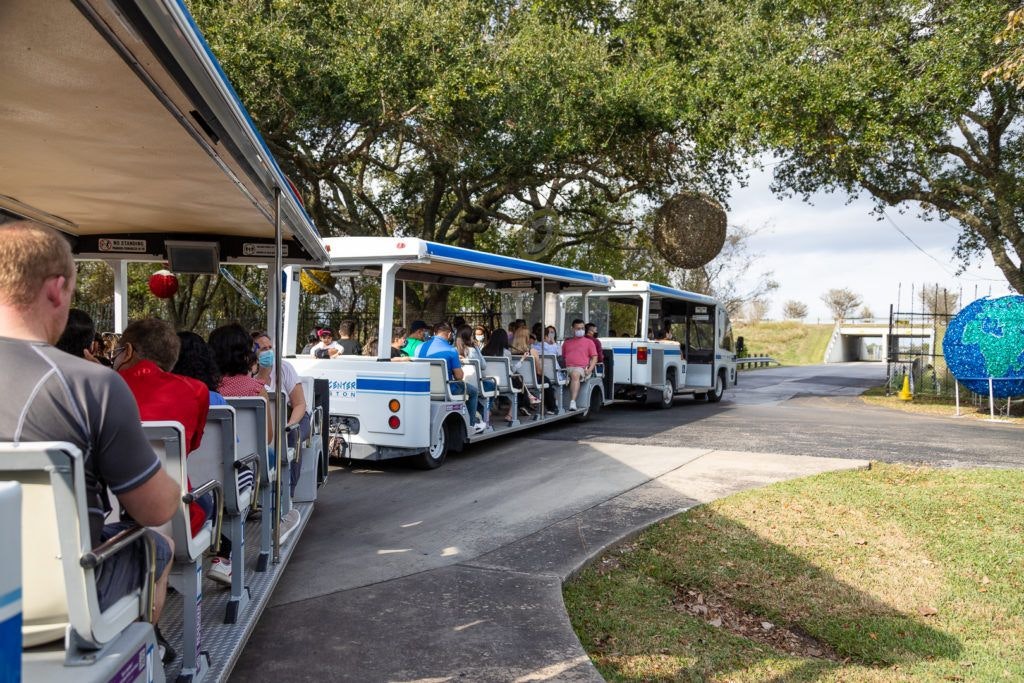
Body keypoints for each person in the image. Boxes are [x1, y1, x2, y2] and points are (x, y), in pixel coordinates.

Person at [0, 222, 179, 661]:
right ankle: (143, 661)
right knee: (160, 545)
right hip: (56, 603)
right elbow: (155, 509)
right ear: (58, 290)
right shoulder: (90, 385)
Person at [210, 324, 301, 550]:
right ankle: (281, 517)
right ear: (247, 354)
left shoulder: (206, 389)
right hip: (249, 465)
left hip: (208, 467)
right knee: (277, 456)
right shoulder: (256, 388)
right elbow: (267, 436)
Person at [417, 322, 485, 434]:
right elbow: (459, 376)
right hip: (447, 389)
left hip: (424, 388)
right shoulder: (451, 350)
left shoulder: (419, 348)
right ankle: (472, 424)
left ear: (435, 333)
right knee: (473, 392)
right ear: (449, 335)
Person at [455, 325, 494, 431]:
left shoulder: (454, 350)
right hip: (476, 385)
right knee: (493, 385)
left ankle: (479, 413)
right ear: (469, 337)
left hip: (460, 383)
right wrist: (477, 348)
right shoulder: (472, 350)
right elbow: (483, 365)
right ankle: (485, 412)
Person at [561, 319, 598, 411]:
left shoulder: (589, 342)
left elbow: (594, 357)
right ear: (573, 329)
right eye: (578, 328)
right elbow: (562, 357)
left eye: (582, 328)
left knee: (575, 374)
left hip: (581, 368)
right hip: (567, 368)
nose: (581, 330)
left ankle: (572, 402)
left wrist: (589, 369)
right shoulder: (566, 343)